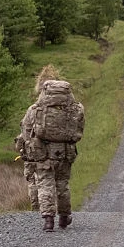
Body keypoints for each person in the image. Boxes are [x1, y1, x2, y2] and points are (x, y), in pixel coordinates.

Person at [20, 66, 85, 231]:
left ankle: (48, 220)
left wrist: (28, 148)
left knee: (45, 184)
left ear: (44, 92)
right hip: (65, 152)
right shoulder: (75, 109)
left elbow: (26, 131)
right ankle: (64, 217)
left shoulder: (35, 109)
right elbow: (79, 131)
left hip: (42, 152)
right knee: (62, 184)